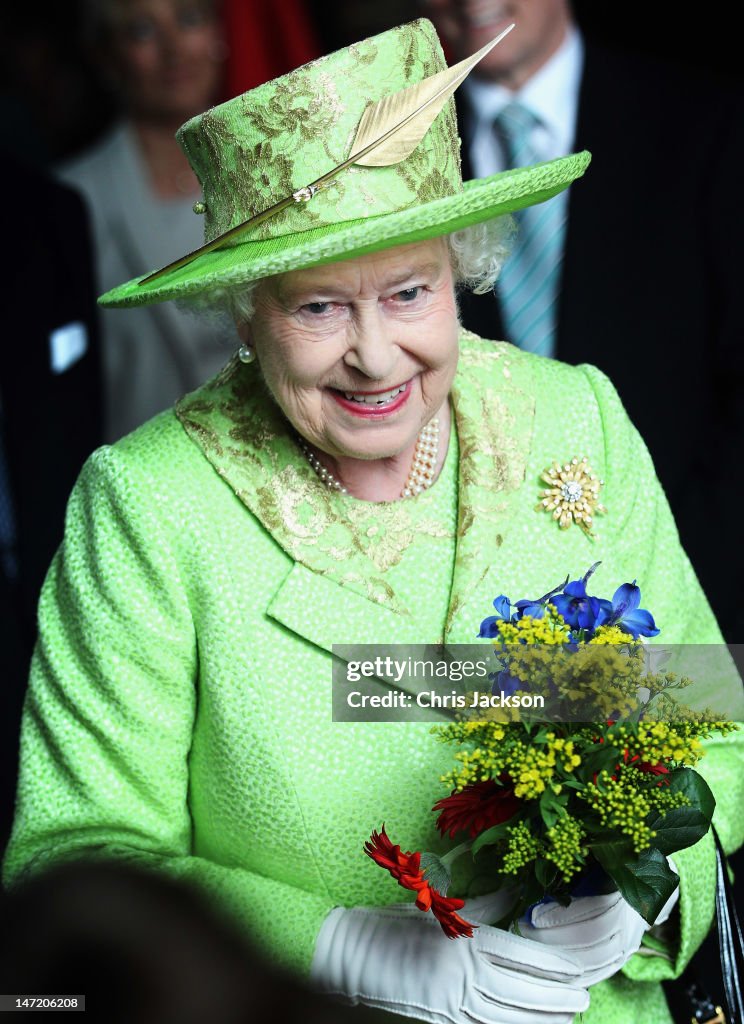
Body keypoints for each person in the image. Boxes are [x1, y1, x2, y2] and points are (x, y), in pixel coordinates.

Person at [3, 19, 741, 1024]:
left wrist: (644, 892)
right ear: (243, 308)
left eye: (408, 292)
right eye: (317, 308)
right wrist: (344, 950)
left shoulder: (576, 419)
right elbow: (75, 863)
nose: (376, 356)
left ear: (459, 268)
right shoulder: (149, 505)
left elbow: (713, 733)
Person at [422, 0, 744, 642]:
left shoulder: (712, 119)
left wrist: (683, 589)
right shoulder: (393, 155)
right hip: (477, 622)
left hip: (705, 579)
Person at [57, 0, 229, 441]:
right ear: (108, 57)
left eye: (188, 20)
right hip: (150, 470)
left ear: (216, 34)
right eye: (142, 31)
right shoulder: (72, 199)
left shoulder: (279, 162)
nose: (174, 51)